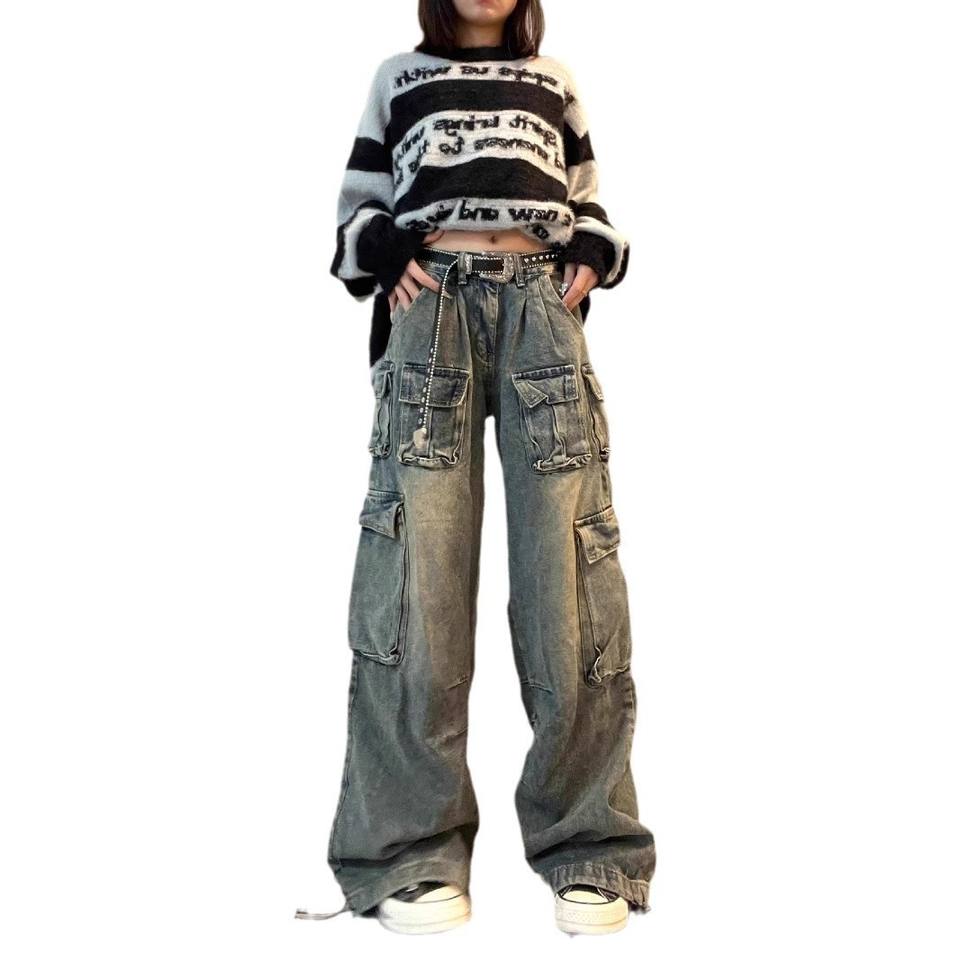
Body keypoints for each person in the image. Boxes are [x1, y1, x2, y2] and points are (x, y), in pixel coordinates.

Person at [296, 0, 656, 936]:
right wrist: (384, 253)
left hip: (541, 313)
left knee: (569, 580)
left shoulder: (554, 83)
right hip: (432, 317)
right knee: (419, 581)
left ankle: (590, 844)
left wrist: (591, 253)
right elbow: (357, 213)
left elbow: (589, 202)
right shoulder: (399, 79)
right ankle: (408, 851)